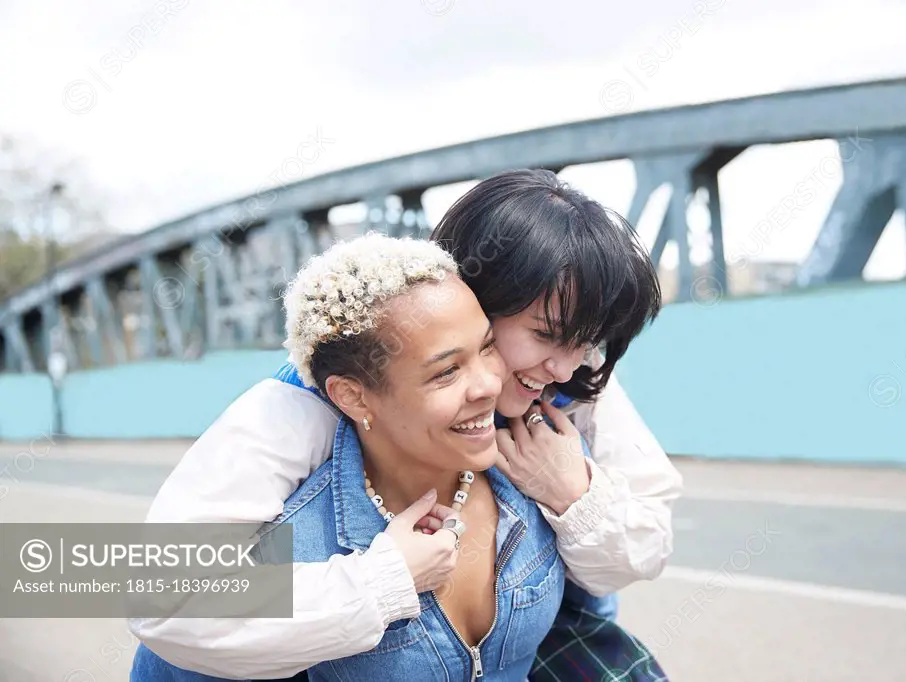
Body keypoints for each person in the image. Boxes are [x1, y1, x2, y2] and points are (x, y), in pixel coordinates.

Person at [129, 170, 682, 679]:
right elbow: (161, 593)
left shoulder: (570, 380)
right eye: (546, 334)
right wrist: (384, 579)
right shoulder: (306, 403)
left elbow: (646, 542)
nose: (566, 365)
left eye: (588, 341)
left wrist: (573, 494)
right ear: (472, 296)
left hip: (541, 641)